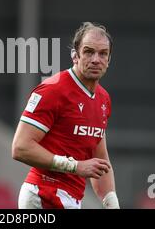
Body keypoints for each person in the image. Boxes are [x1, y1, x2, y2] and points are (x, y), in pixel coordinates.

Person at [11, 22, 119, 209]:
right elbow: (20, 147)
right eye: (88, 51)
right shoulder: (53, 90)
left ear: (109, 59)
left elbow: (100, 160)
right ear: (75, 56)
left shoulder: (103, 99)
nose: (96, 59)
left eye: (102, 54)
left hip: (69, 198)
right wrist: (75, 166)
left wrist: (112, 204)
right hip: (45, 194)